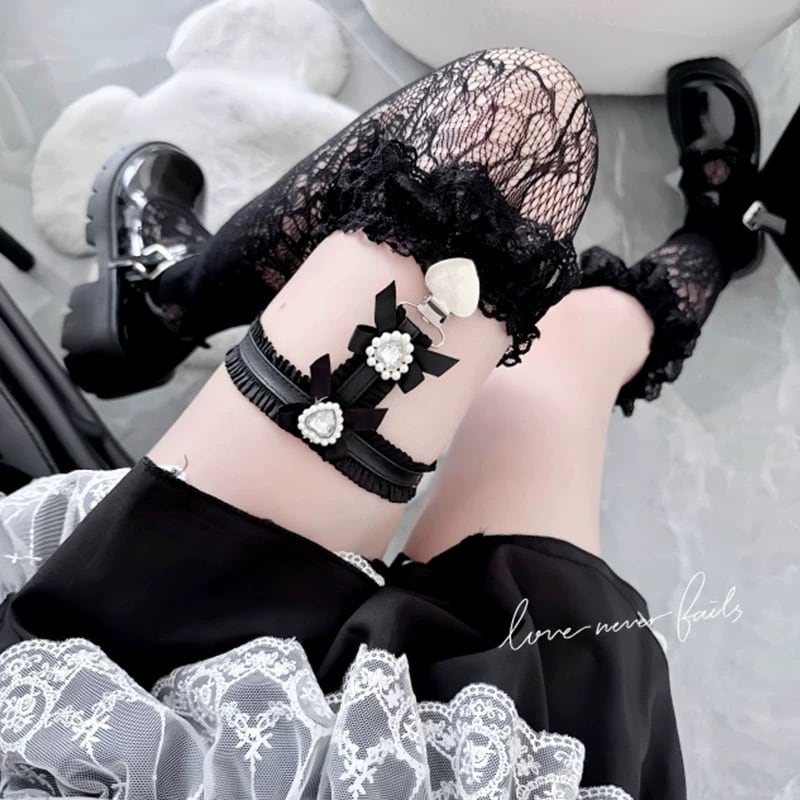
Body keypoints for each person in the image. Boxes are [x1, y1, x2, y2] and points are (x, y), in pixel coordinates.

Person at [0, 50, 761, 799]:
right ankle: (726, 231)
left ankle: (165, 304)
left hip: (164, 726)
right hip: (477, 767)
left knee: (515, 122)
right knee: (566, 355)